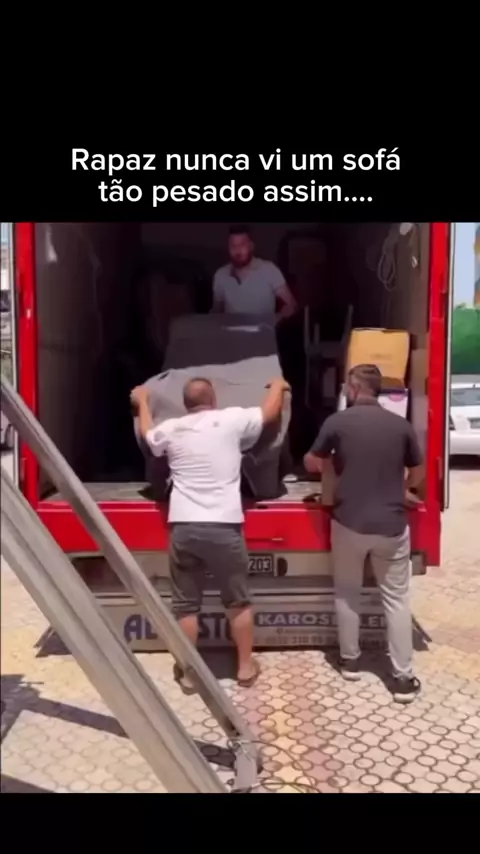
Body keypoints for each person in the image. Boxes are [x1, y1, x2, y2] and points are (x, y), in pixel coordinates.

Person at [131, 376, 291, 694]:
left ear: (185, 403)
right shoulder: (230, 421)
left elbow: (148, 436)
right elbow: (269, 414)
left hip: (185, 528)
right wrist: (278, 386)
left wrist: (143, 401)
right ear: (213, 399)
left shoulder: (172, 428)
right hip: (224, 527)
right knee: (238, 601)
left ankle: (190, 674)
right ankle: (244, 668)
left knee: (186, 605)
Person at [304, 364, 424, 704]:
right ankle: (402, 679)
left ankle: (350, 662)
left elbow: (312, 461)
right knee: (397, 600)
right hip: (391, 527)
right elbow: (417, 470)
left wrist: (328, 466)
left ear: (354, 389)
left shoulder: (337, 422)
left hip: (348, 522)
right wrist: (402, 488)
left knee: (347, 593)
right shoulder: (400, 425)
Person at [212, 224, 297, 320]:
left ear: (251, 246)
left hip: (263, 328)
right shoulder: (220, 275)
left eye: (242, 245)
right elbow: (216, 313)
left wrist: (281, 316)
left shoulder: (269, 269)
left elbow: (291, 304)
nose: (237, 251)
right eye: (233, 246)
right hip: (230, 329)